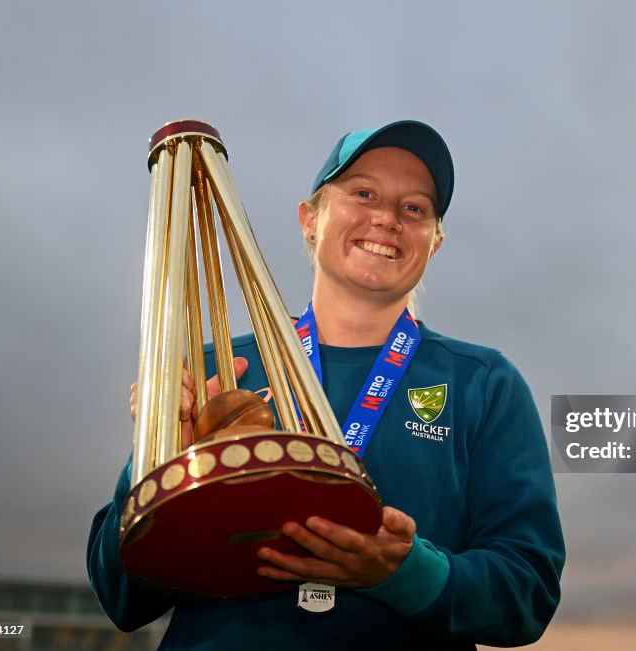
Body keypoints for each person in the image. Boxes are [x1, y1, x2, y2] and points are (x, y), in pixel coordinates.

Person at [88, 120, 565, 649]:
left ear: (435, 241)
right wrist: (156, 451)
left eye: (415, 208)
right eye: (363, 193)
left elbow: (528, 592)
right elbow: (121, 595)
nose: (387, 218)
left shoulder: (483, 383)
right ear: (310, 219)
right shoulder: (216, 369)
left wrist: (404, 572)